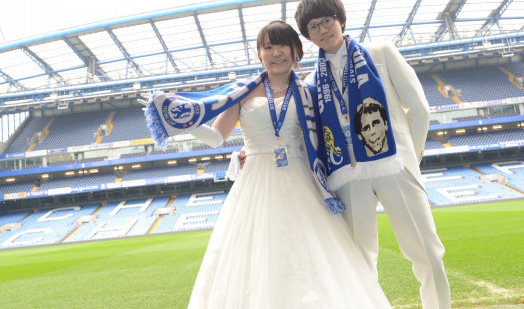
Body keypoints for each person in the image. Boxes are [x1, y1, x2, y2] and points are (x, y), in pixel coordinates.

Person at [142, 20, 391, 308]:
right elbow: (215, 138)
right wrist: (184, 120)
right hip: (256, 182)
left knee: (310, 252)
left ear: (296, 50)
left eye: (282, 44)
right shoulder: (241, 92)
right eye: (268, 46)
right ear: (259, 53)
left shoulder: (310, 91)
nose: (276, 52)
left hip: (302, 180)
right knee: (256, 255)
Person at [293, 0, 451, 309]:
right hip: (348, 179)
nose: (323, 29)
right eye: (313, 26)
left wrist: (409, 160)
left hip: (394, 165)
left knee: (427, 252)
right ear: (307, 36)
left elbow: (419, 110)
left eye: (328, 20)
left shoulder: (381, 52)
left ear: (340, 19)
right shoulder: (310, 83)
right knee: (359, 263)